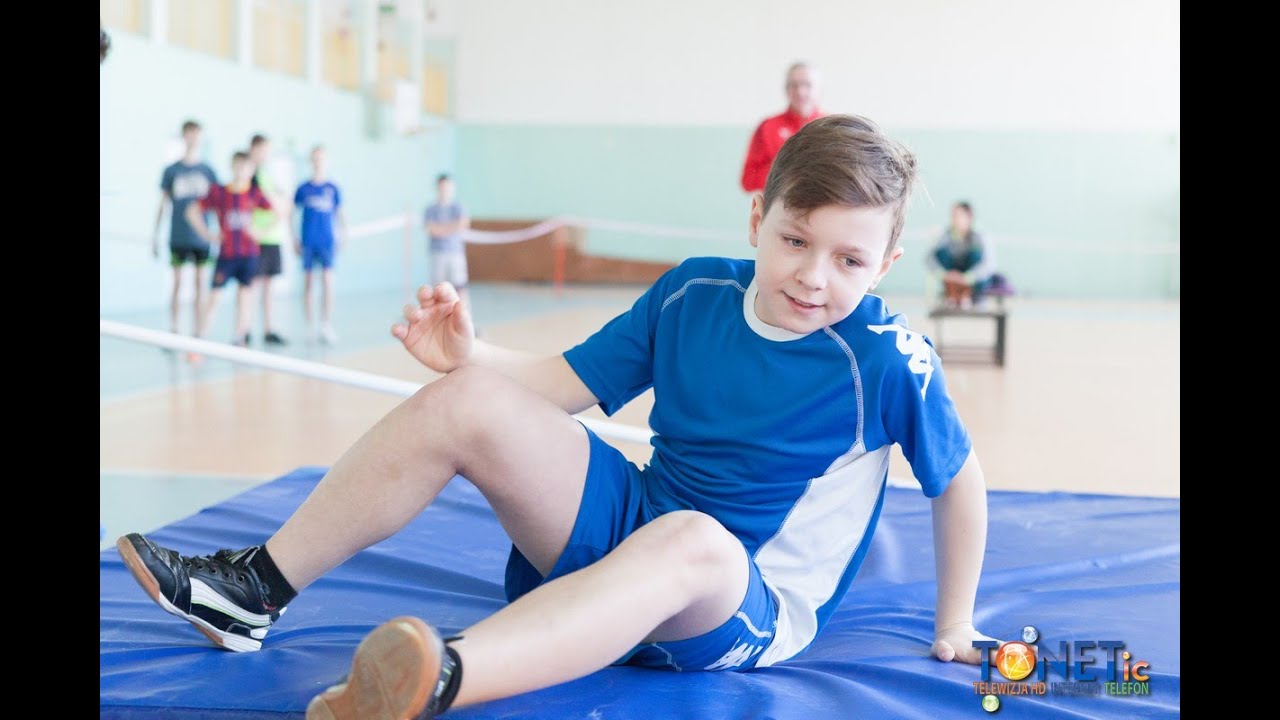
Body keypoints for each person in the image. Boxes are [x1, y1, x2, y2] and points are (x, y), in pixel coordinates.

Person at [117, 115, 996, 720]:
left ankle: (436, 678)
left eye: (849, 260)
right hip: (623, 534)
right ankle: (251, 592)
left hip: (738, 601)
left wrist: (953, 622)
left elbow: (959, 485)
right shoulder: (694, 289)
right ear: (757, 218)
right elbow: (558, 383)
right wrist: (468, 359)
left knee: (693, 538)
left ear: (883, 264)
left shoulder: (884, 359)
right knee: (470, 404)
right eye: (796, 241)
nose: (814, 276)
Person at [186, 151, 271, 349]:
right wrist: (208, 234)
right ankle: (199, 340)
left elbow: (277, 211)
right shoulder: (219, 192)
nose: (241, 171)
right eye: (238, 166)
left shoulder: (254, 194)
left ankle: (239, 339)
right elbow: (192, 211)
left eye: (246, 167)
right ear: (232, 166)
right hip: (226, 255)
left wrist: (260, 231)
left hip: (249, 254)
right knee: (214, 297)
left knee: (245, 296)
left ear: (251, 170)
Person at [154, 120, 219, 337]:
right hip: (178, 237)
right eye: (189, 133)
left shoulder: (208, 171)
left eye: (196, 134)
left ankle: (198, 332)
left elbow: (218, 204)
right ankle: (174, 328)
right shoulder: (172, 170)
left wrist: (217, 234)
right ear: (183, 136)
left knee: (201, 283)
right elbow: (162, 204)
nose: (193, 138)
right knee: (178, 283)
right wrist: (155, 235)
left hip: (201, 238)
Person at [740, 62, 824, 193]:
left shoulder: (831, 127)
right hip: (779, 207)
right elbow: (748, 180)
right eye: (794, 85)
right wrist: (786, 172)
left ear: (819, 89)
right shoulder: (767, 126)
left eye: (807, 84)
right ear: (786, 89)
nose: (800, 91)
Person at [293, 145, 346, 344]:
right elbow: (292, 212)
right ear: (310, 161)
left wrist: (343, 234)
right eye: (314, 158)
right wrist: (294, 238)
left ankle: (326, 324)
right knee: (308, 283)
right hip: (308, 241)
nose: (318, 162)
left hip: (327, 242)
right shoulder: (303, 188)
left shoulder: (333, 188)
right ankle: (309, 325)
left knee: (327, 281)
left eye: (321, 158)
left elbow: (340, 214)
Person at [927, 201, 1012, 308]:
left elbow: (990, 264)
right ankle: (954, 296)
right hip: (951, 280)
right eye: (953, 216)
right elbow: (929, 259)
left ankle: (970, 296)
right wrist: (944, 275)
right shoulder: (945, 235)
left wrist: (967, 278)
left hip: (975, 282)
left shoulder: (981, 236)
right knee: (941, 253)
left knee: (976, 254)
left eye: (959, 216)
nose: (955, 219)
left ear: (969, 217)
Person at [249, 134, 291, 345]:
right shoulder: (250, 176)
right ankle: (245, 330)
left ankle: (268, 329)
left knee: (268, 286)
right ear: (253, 149)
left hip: (273, 237)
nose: (266, 155)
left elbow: (281, 203)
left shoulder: (266, 175)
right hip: (257, 238)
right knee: (251, 285)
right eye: (262, 150)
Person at [424, 173, 471, 308]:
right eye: (442, 187)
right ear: (438, 188)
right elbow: (432, 230)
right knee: (438, 289)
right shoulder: (430, 209)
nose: (445, 189)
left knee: (460, 287)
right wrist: (451, 228)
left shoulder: (459, 207)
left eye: (448, 187)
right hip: (437, 253)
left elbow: (462, 224)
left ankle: (465, 320)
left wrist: (442, 229)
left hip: (455, 253)